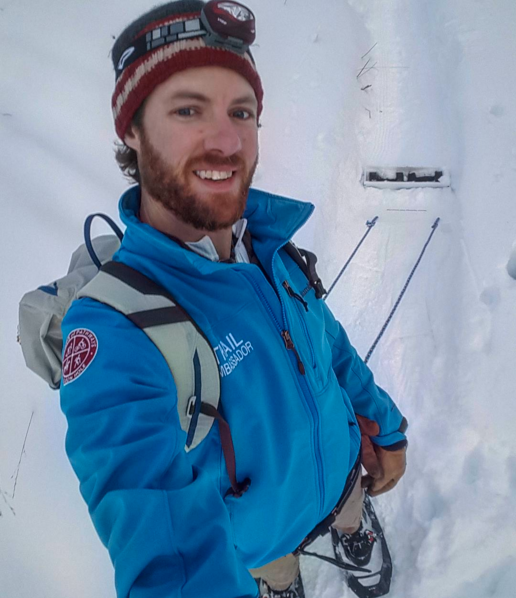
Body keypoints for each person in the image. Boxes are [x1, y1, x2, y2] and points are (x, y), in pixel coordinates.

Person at [59, 2, 408, 598]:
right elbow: (166, 547)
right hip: (254, 541)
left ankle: (353, 532)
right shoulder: (118, 332)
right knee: (270, 567)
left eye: (241, 112)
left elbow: (327, 345)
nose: (226, 141)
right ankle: (279, 584)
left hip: (342, 473)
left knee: (347, 509)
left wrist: (386, 425)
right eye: (189, 109)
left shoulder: (269, 247)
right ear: (132, 131)